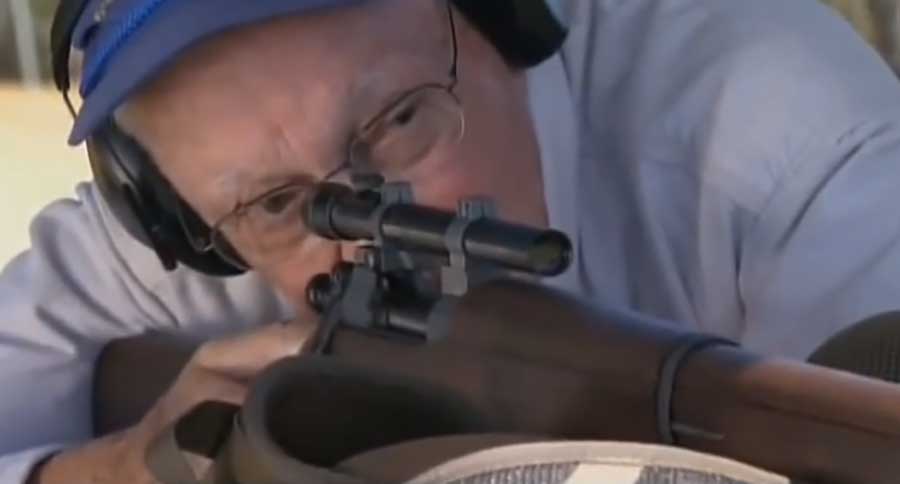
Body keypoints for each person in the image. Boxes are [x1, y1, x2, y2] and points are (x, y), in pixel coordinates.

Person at [3, 0, 900, 482]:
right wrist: (126, 469)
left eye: (398, 120)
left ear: (504, 22)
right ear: (174, 222)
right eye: (281, 205)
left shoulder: (787, 132)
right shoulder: (209, 206)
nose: (365, 228)